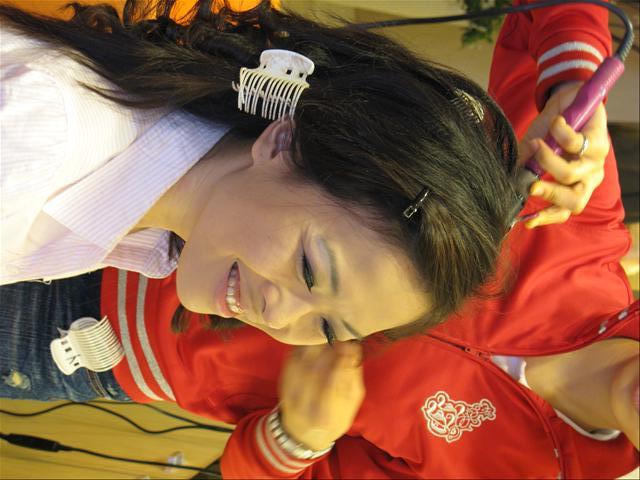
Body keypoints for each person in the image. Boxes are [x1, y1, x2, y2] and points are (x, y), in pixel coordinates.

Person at [0, 0, 637, 478]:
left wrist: (297, 437)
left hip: (97, 318)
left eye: (333, 328)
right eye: (310, 268)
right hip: (146, 174)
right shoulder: (574, 224)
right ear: (285, 141)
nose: (283, 315)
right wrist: (572, 80)